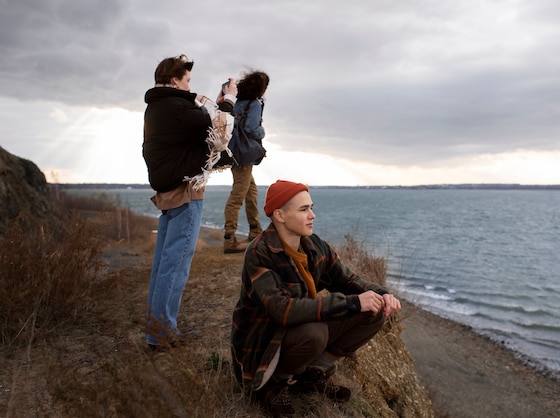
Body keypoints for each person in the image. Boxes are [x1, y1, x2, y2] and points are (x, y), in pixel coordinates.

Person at [231, 180, 402, 416]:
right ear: (280, 215)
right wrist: (350, 302)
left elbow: (348, 279)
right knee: (315, 333)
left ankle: (311, 375)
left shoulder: (314, 245)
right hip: (264, 341)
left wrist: (382, 293)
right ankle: (272, 384)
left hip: (294, 331)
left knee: (373, 311)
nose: (312, 215)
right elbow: (282, 310)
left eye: (311, 207)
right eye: (303, 210)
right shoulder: (259, 253)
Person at [142, 54, 237, 350]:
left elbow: (199, 124)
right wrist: (228, 101)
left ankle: (156, 329)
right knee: (175, 266)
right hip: (185, 192)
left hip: (170, 191)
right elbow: (219, 132)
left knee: (163, 265)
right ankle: (161, 335)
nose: (190, 86)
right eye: (187, 81)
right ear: (174, 80)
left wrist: (213, 101)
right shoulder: (176, 107)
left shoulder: (159, 106)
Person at [222, 70, 270, 254]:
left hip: (233, 149)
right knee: (238, 195)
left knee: (251, 192)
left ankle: (255, 229)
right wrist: (262, 132)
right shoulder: (255, 104)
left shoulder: (236, 100)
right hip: (244, 153)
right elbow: (251, 128)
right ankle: (229, 238)